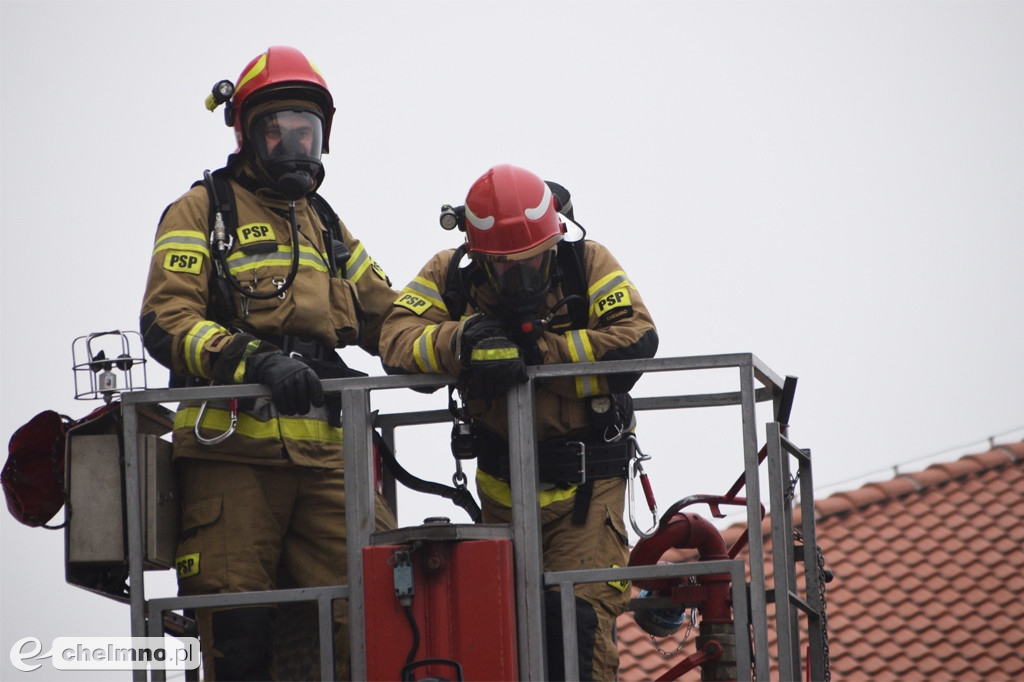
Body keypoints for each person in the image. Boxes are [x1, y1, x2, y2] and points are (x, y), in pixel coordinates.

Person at [139, 46, 397, 681]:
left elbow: (390, 317)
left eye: (305, 130)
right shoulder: (203, 211)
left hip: (330, 462)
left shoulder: (327, 226)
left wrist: (469, 330)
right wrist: (253, 359)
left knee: (382, 613)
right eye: (276, 129)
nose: (292, 143)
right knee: (237, 633)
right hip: (230, 457)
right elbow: (165, 321)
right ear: (247, 133)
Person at [379, 164, 659, 680]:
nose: (525, 278)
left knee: (574, 633)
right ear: (479, 258)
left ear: (555, 240)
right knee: (497, 639)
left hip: (587, 493)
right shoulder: (451, 274)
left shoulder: (586, 261)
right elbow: (396, 341)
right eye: (508, 269)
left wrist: (538, 354)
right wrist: (462, 342)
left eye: (536, 263)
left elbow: (636, 342)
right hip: (499, 496)